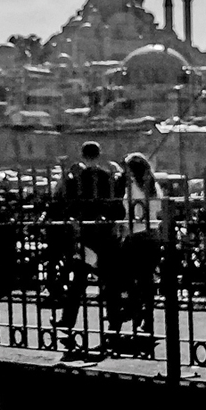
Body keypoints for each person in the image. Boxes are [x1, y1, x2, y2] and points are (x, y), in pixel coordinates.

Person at [48, 141, 124, 335]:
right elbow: (118, 207)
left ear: (82, 155)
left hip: (86, 235)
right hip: (106, 234)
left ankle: (67, 319)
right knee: (110, 280)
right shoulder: (108, 177)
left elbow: (62, 201)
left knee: (78, 281)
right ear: (99, 155)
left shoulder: (77, 178)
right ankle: (114, 320)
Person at [112, 152, 164, 338]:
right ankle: (147, 318)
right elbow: (157, 210)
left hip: (137, 235)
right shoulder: (153, 186)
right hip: (153, 234)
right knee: (146, 279)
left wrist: (123, 229)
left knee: (123, 274)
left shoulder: (132, 187)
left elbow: (130, 213)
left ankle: (133, 309)